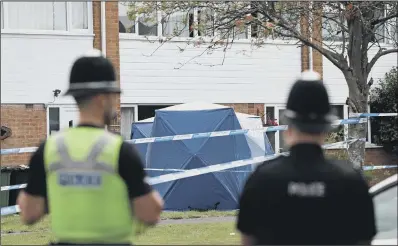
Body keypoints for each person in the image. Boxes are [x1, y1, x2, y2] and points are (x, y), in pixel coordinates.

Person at [17, 49, 164, 245]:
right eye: (114, 96)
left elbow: (28, 213)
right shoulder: (120, 151)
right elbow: (150, 213)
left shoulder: (48, 149)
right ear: (101, 98)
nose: (116, 102)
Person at [236, 71, 377, 245]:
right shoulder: (351, 182)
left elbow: (248, 240)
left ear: (288, 125)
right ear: (326, 128)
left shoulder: (262, 180)